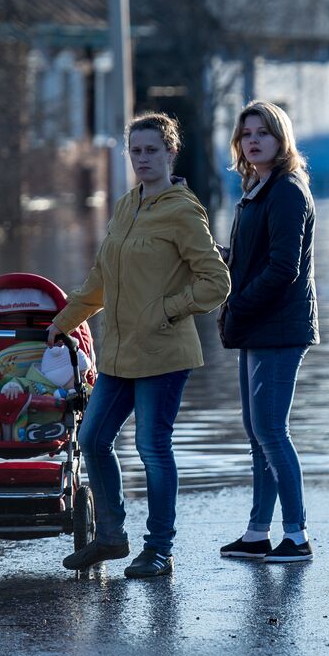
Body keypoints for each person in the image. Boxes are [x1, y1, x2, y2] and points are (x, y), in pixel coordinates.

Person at [51, 112, 229, 578]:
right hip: (119, 354)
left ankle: (159, 550)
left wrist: (168, 310)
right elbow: (100, 280)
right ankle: (111, 535)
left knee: (152, 447)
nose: (144, 158)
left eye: (153, 150)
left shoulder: (184, 209)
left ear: (171, 153)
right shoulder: (127, 206)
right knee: (91, 437)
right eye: (136, 151)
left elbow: (216, 282)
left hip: (164, 353)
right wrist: (63, 322)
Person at [217, 101, 319, 563]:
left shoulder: (287, 191)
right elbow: (248, 260)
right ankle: (258, 532)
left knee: (271, 430)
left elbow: (284, 270)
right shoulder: (257, 188)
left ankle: (296, 536)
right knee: (256, 431)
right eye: (246, 133)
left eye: (264, 132)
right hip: (257, 326)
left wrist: (237, 303)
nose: (253, 140)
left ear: (282, 140)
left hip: (278, 327)